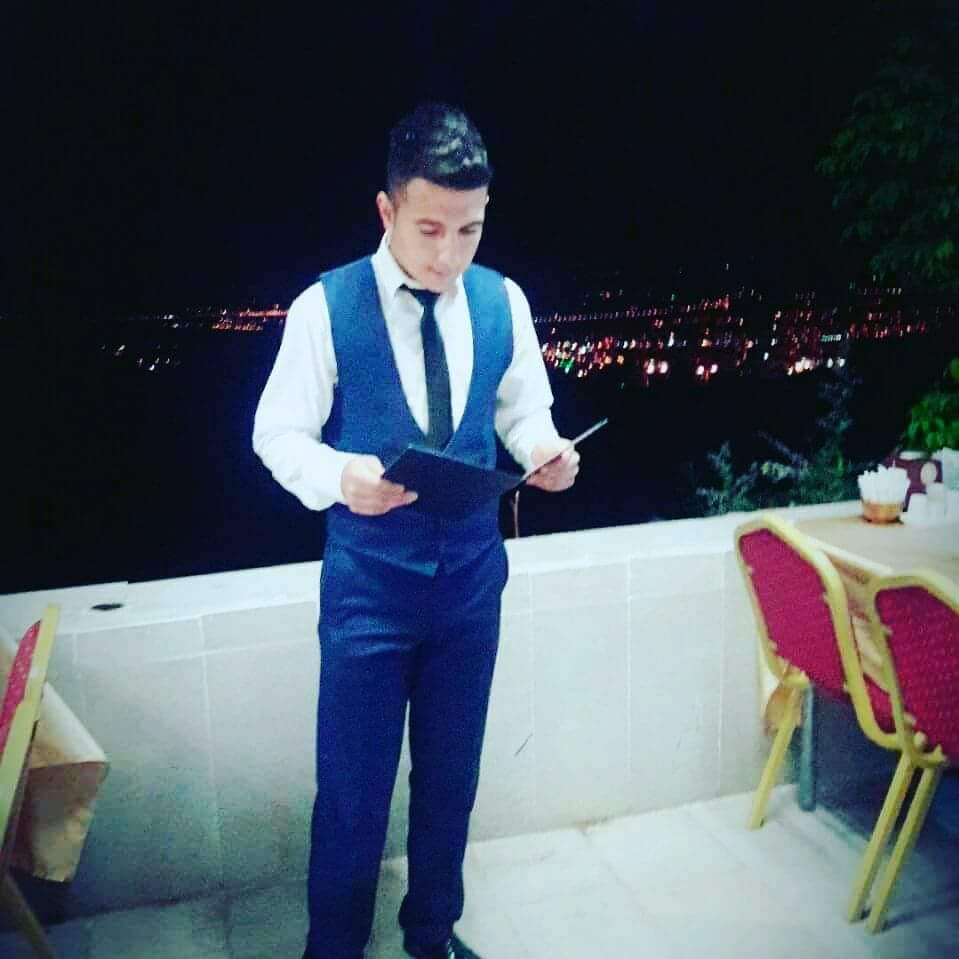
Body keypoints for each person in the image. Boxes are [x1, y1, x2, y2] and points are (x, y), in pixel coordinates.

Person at [253, 102, 579, 959]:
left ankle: (430, 933)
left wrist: (544, 451)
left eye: (469, 230)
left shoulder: (502, 300)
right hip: (367, 587)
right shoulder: (325, 307)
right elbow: (276, 433)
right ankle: (333, 947)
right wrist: (341, 478)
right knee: (352, 792)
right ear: (386, 209)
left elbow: (522, 411)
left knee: (450, 778)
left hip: (472, 580)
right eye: (429, 228)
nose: (447, 255)